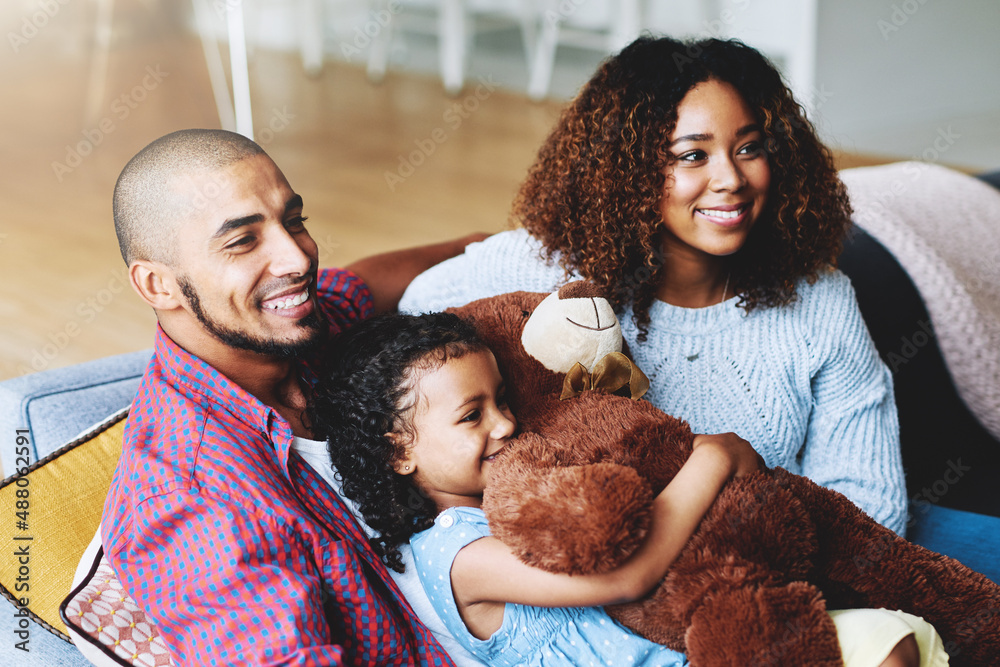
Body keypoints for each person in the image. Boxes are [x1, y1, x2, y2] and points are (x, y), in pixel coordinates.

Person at [399, 36, 908, 535]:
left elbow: (873, 510)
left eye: (750, 148)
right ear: (625, 171)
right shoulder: (541, 270)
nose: (731, 178)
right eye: (692, 155)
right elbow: (409, 320)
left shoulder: (821, 300)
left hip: (764, 580)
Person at [307, 312, 940, 667]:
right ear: (400, 452)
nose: (505, 423)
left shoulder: (533, 491)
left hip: (703, 644)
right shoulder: (457, 556)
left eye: (502, 400)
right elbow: (626, 577)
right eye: (472, 416)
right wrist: (711, 459)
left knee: (897, 638)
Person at [102, 128, 485, 665]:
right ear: (158, 286)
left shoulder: (299, 332)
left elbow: (363, 283)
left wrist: (490, 242)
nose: (298, 259)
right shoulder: (187, 502)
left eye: (294, 221)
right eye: (242, 241)